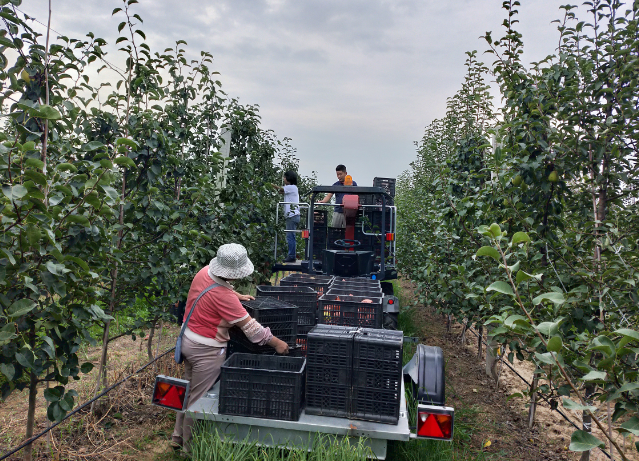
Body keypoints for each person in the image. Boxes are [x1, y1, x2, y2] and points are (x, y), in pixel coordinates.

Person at [172, 243, 289, 451]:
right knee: (197, 400)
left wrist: (237, 296)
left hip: (187, 339)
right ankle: (189, 449)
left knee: (188, 390)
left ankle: (177, 436)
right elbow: (253, 331)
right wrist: (278, 343)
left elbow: (214, 289)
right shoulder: (223, 297)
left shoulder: (204, 272)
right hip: (205, 350)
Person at [271, 171, 300, 262]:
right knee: (291, 236)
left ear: (289, 178)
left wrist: (270, 184)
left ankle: (291, 256)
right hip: (292, 215)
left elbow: (280, 189)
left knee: (290, 236)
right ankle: (291, 255)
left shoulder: (292, 187)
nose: (283, 179)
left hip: (292, 215)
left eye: (285, 177)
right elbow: (280, 191)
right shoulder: (291, 188)